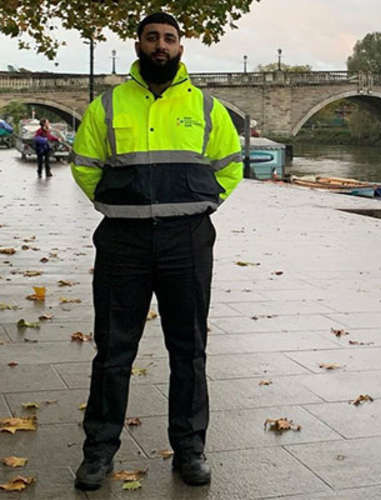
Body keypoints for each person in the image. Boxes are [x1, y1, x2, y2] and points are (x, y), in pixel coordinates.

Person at [70, 12, 242, 491]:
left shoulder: (206, 108)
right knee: (113, 351)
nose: (161, 46)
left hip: (186, 241)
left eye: (169, 39)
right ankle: (99, 453)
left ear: (180, 48)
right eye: (153, 38)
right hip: (123, 241)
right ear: (139, 45)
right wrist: (117, 203)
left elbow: (229, 166)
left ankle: (190, 449)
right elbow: (84, 165)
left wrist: (200, 205)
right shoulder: (108, 106)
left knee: (189, 351)